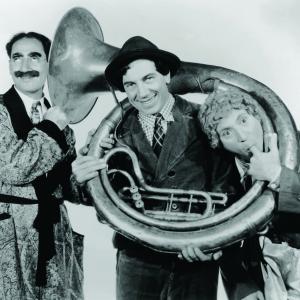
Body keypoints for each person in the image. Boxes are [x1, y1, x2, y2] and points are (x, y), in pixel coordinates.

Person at [72, 36, 239, 300]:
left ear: (167, 76)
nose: (141, 93)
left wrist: (213, 242)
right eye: (130, 84)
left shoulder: (204, 118)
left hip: (195, 254)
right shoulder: (113, 133)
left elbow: (228, 191)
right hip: (136, 259)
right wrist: (84, 178)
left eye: (148, 79)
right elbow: (103, 201)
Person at [0, 32, 84, 299]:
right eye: (17, 57)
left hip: (56, 238)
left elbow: (68, 188)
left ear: (50, 64)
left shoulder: (58, 115)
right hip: (9, 239)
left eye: (35, 56)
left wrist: (89, 169)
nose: (25, 66)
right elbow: (15, 168)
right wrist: (50, 127)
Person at [198, 86, 300, 299]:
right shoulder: (221, 177)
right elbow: (228, 244)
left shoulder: (296, 144)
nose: (242, 137)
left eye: (243, 121)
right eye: (227, 133)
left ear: (258, 117)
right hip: (265, 284)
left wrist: (277, 175)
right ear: (219, 143)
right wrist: (242, 288)